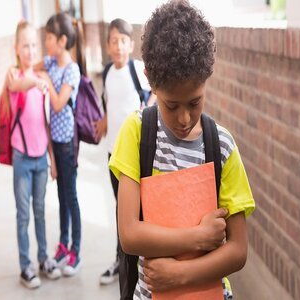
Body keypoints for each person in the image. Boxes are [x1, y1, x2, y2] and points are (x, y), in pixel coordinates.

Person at [108, 1, 256, 299]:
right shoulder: (137, 134)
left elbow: (238, 250)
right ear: (149, 79)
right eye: (171, 105)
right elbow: (129, 234)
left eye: (195, 102)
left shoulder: (221, 146)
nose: (185, 118)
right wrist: (198, 237)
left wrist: (180, 275)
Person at [93, 18, 154, 286]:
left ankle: (140, 259)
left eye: (123, 41)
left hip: (135, 156)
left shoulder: (136, 69)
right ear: (107, 46)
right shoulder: (107, 73)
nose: (118, 46)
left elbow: (154, 93)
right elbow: (109, 102)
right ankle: (122, 261)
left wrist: (145, 111)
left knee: (136, 210)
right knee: (121, 209)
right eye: (114, 41)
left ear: (131, 44)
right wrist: (104, 121)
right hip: (112, 153)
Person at [4, 20, 61, 289]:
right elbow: (18, 86)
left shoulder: (41, 82)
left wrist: (51, 158)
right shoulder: (14, 76)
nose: (30, 50)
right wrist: (35, 81)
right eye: (24, 45)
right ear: (17, 48)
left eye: (33, 45)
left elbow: (45, 123)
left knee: (40, 211)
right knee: (23, 214)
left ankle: (43, 259)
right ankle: (25, 266)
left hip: (40, 158)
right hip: (22, 158)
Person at [35, 12, 83, 276]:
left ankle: (76, 250)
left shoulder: (71, 69)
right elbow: (31, 66)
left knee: (71, 196)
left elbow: (57, 103)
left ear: (62, 40)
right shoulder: (50, 62)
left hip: (68, 144)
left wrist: (46, 82)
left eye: (49, 38)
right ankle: (63, 244)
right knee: (61, 196)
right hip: (54, 142)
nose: (46, 42)